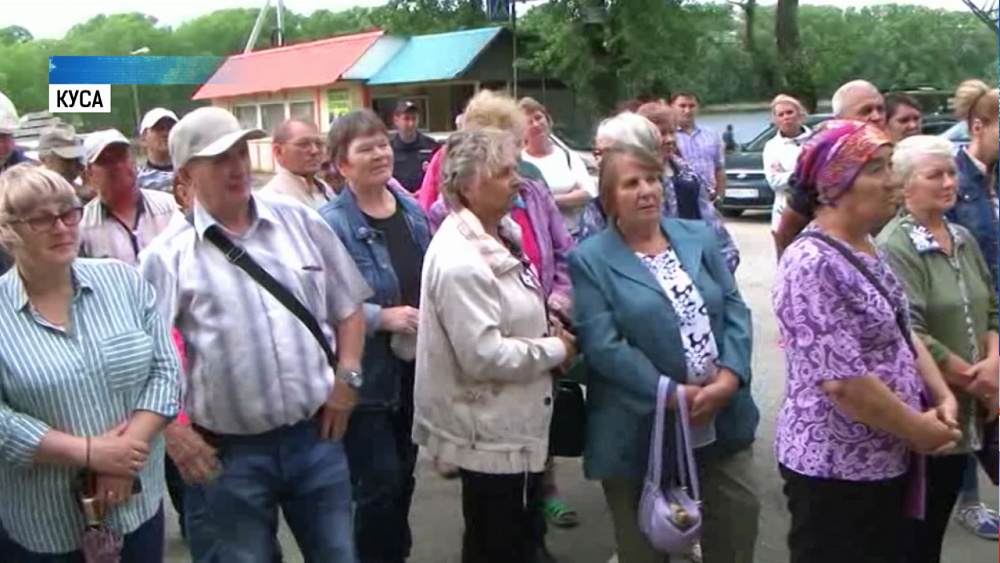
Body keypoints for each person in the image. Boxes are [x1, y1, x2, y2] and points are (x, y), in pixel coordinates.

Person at [139, 107, 371, 562]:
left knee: (338, 554)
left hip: (316, 438)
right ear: (186, 174)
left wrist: (348, 380)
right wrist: (176, 434)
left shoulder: (300, 221)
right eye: (220, 157)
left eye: (242, 152)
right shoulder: (165, 257)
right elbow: (146, 358)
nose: (237, 166)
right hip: (228, 455)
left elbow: (348, 308)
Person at [773, 121, 961, 563]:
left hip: (885, 455)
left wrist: (942, 395)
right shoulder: (810, 263)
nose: (893, 181)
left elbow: (901, 330)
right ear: (834, 183)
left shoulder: (865, 244)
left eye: (890, 166)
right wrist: (919, 431)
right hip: (836, 470)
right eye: (877, 169)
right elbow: (844, 383)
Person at [570, 143, 759, 563]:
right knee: (644, 545)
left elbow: (734, 309)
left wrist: (729, 377)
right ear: (609, 197)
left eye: (653, 179)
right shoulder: (589, 258)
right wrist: (673, 393)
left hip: (720, 415)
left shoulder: (697, 236)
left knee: (736, 526)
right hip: (639, 426)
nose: (646, 191)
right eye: (631, 183)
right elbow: (604, 345)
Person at [0, 163, 181, 561]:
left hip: (135, 505)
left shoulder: (123, 282)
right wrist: (87, 453)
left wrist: (125, 451)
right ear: (6, 231)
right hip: (44, 524)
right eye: (40, 219)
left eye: (68, 212)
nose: (62, 227)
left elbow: (167, 372)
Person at [413, 128, 576, 563]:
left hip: (511, 423)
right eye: (504, 173)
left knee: (514, 535)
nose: (517, 180)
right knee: (497, 541)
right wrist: (556, 350)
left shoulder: (500, 233)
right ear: (468, 185)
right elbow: (483, 355)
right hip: (489, 433)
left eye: (515, 170)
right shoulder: (461, 260)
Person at [876, 135, 999, 563]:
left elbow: (992, 305)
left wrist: (995, 364)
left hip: (984, 402)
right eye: (936, 175)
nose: (949, 183)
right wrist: (974, 378)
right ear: (906, 185)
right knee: (921, 534)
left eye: (950, 173)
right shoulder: (895, 246)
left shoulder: (961, 236)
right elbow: (910, 332)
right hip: (936, 410)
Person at [318, 109, 430, 563]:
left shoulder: (411, 210)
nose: (380, 153)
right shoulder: (330, 223)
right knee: (377, 483)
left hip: (414, 369)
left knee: (404, 475)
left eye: (382, 143)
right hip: (364, 377)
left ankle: (393, 553)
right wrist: (381, 317)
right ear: (342, 164)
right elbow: (320, 300)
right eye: (365, 148)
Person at [578, 111, 740, 273]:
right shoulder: (598, 208)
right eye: (596, 153)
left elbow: (725, 249)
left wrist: (704, 287)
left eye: (605, 153)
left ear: (639, 152)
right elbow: (588, 271)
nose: (597, 161)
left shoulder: (687, 188)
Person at [947, 78, 1000, 540]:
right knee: (973, 410)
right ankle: (967, 501)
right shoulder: (955, 181)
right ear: (978, 126)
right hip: (973, 315)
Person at [774, 79, 887, 256]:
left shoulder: (891, 151)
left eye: (880, 109)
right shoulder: (821, 166)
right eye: (866, 111)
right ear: (840, 119)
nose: (876, 116)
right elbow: (786, 232)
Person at [78, 129, 177, 265]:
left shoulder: (170, 208)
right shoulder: (83, 226)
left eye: (122, 156)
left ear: (133, 161)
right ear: (89, 173)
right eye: (106, 161)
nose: (117, 165)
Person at [520, 97, 597, 237]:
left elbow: (589, 191)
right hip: (541, 239)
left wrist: (549, 200)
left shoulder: (567, 156)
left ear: (548, 120)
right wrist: (571, 196)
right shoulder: (520, 162)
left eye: (538, 118)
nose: (536, 124)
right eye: (529, 122)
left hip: (575, 235)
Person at [762, 95, 811, 254]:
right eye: (780, 115)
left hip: (816, 215)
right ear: (775, 120)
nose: (786, 118)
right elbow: (774, 180)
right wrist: (799, 175)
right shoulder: (772, 147)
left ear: (800, 114)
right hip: (785, 213)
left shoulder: (815, 139)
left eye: (789, 112)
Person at [262, 118, 335, 209]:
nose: (315, 150)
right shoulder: (271, 199)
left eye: (318, 143)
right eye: (303, 144)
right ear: (278, 151)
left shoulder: (326, 189)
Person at [671, 92, 726, 200]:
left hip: (709, 198)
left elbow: (719, 168)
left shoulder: (711, 134)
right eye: (682, 106)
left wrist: (720, 196)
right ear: (672, 107)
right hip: (680, 198)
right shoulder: (668, 136)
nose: (687, 110)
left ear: (698, 108)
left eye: (692, 106)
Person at [390, 100, 440, 193]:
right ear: (396, 120)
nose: (411, 124)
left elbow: (440, 176)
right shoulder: (388, 149)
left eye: (414, 118)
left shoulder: (431, 146)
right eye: (406, 119)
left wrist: (423, 191)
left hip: (425, 199)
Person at [36, 123, 87, 198]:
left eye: (77, 159)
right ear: (43, 159)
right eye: (66, 160)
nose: (76, 166)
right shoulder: (29, 191)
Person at [135, 108, 179, 192]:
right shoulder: (135, 180)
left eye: (170, 128)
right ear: (144, 138)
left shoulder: (191, 174)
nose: (166, 133)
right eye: (159, 128)